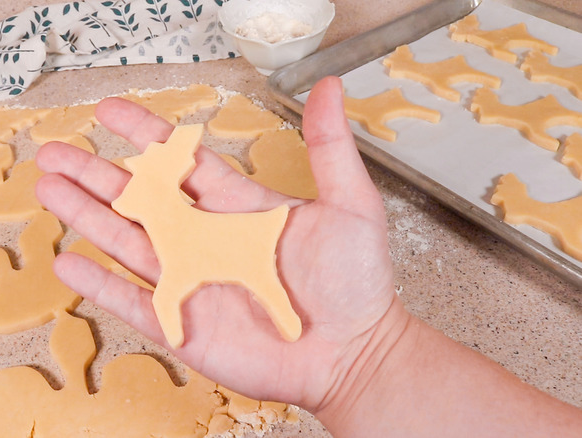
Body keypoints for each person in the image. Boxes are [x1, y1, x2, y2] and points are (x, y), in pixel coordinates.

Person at [34, 76, 582, 436]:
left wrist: (366, 357)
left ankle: (282, 308)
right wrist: (367, 366)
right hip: (195, 242)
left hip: (223, 244)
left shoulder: (173, 207)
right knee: (220, 280)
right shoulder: (160, 213)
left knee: (256, 278)